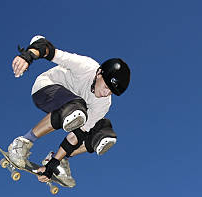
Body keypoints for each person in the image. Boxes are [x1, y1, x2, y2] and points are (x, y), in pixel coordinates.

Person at [8, 35, 130, 187]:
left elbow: (77, 135)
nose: (106, 93)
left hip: (73, 110)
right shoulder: (85, 66)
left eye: (111, 92)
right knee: (76, 107)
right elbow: (48, 50)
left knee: (101, 131)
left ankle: (60, 161)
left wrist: (52, 164)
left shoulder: (104, 103)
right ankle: (22, 143)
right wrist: (28, 56)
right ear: (99, 73)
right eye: (106, 87)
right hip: (45, 89)